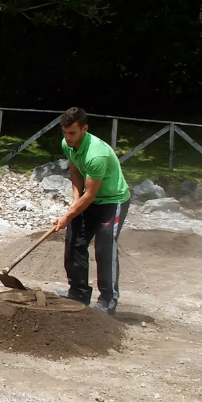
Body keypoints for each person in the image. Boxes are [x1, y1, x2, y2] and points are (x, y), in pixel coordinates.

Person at [50, 107, 131, 314]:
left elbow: (91, 194)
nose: (68, 138)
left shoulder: (97, 154)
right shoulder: (67, 144)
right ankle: (78, 293)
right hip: (89, 198)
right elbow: (76, 174)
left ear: (84, 129)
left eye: (72, 133)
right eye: (65, 132)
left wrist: (68, 216)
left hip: (112, 201)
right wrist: (74, 204)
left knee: (104, 247)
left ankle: (108, 300)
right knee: (74, 240)